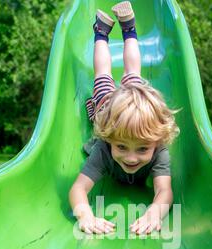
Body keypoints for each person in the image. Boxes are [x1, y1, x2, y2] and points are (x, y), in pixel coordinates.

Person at [69, 1, 180, 235]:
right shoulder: (104, 149)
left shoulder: (159, 150)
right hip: (106, 104)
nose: (131, 157)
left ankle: (129, 29)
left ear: (157, 141)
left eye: (142, 149)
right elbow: (78, 189)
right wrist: (85, 215)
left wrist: (154, 211)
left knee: (132, 73)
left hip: (121, 106)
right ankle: (101, 33)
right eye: (121, 146)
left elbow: (164, 191)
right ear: (109, 138)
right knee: (106, 73)